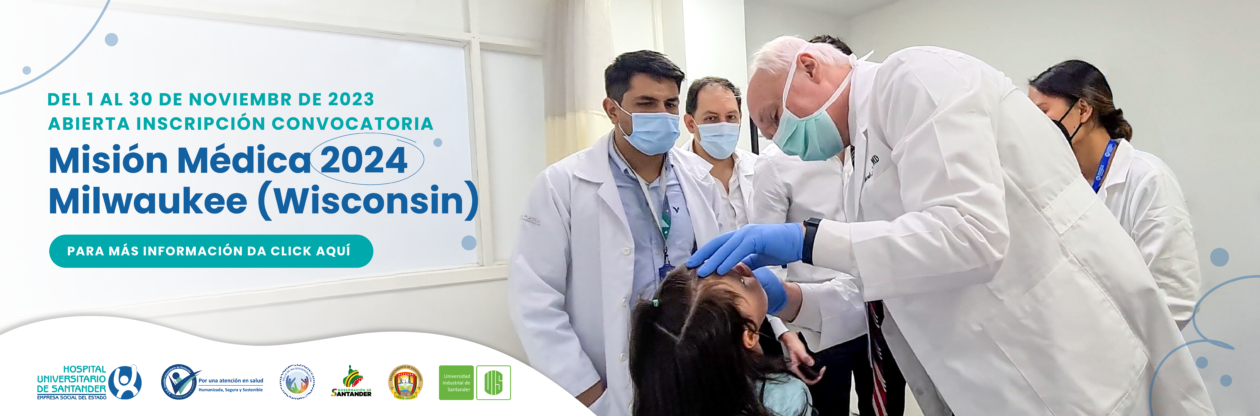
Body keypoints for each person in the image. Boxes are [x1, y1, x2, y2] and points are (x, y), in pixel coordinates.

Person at [687, 35, 1215, 415]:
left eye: (773, 118)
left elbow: (969, 236)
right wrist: (791, 298)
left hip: (1067, 370)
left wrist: (806, 239)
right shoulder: (859, 158)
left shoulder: (913, 78)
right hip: (994, 381)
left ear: (809, 67)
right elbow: (895, 285)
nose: (776, 139)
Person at [508, 50, 733, 416]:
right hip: (609, 376)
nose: (661, 114)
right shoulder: (561, 185)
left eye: (670, 104)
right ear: (612, 110)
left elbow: (720, 273)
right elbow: (534, 297)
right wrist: (585, 390)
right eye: (646, 103)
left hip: (691, 365)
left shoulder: (700, 179)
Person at [753, 34, 903, 416]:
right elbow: (767, 258)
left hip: (885, 308)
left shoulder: (879, 139)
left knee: (887, 405)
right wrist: (785, 330)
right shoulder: (780, 160)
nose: (776, 133)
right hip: (818, 316)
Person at [1028, 60, 1200, 329]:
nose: (1034, 126)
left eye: (1043, 112)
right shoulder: (1054, 182)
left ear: (1083, 109)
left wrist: (1108, 344)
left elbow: (1175, 297)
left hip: (1128, 348)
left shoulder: (1148, 178)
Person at [630, 265, 816, 416]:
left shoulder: (663, 400)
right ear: (749, 335)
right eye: (743, 282)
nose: (742, 266)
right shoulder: (784, 398)